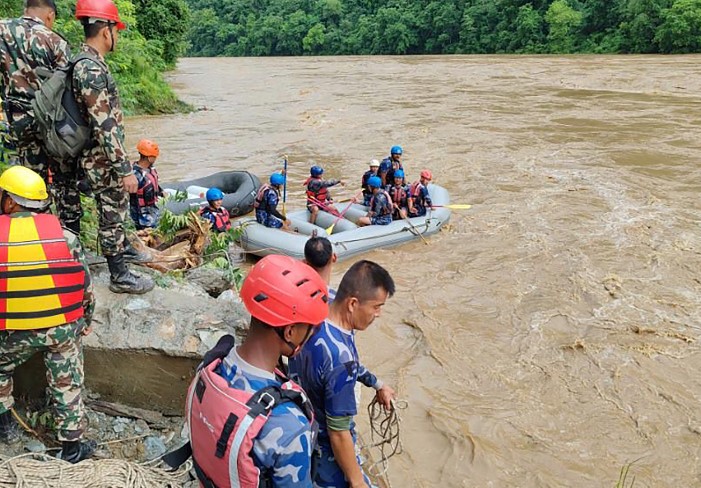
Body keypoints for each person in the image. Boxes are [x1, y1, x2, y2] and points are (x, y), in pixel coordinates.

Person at [186, 254, 329, 487]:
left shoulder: (212, 368)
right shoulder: (290, 425)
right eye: (309, 328)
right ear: (290, 332)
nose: (311, 334)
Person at [0, 166, 96, 463]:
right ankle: (72, 447)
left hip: (12, 331)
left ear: (11, 202)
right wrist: (86, 321)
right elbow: (85, 287)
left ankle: (5, 426)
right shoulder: (65, 237)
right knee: (67, 379)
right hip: (61, 328)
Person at [289, 260, 396, 488]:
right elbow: (338, 433)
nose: (378, 314)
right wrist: (358, 482)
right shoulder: (342, 362)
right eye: (376, 306)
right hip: (323, 448)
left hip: (300, 416)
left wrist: (377, 384)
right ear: (353, 304)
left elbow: (349, 365)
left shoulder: (322, 304)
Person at [72, 0, 153, 294]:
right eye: (116, 30)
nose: (117, 36)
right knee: (112, 213)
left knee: (114, 212)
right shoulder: (90, 70)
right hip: (101, 159)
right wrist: (125, 170)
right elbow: (104, 126)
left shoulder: (88, 63)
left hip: (98, 156)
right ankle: (119, 275)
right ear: (106, 31)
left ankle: (123, 252)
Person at [0, 0, 82, 234]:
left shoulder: (3, 30)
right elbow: (69, 90)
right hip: (52, 124)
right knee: (65, 179)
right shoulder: (56, 41)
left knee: (27, 179)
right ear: (50, 15)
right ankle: (69, 237)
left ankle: (27, 236)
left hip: (17, 122)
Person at [129, 139, 162, 230]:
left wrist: (161, 192)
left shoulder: (151, 169)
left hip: (153, 211)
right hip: (143, 217)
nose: (156, 158)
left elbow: (152, 185)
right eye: (154, 156)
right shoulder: (136, 175)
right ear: (149, 157)